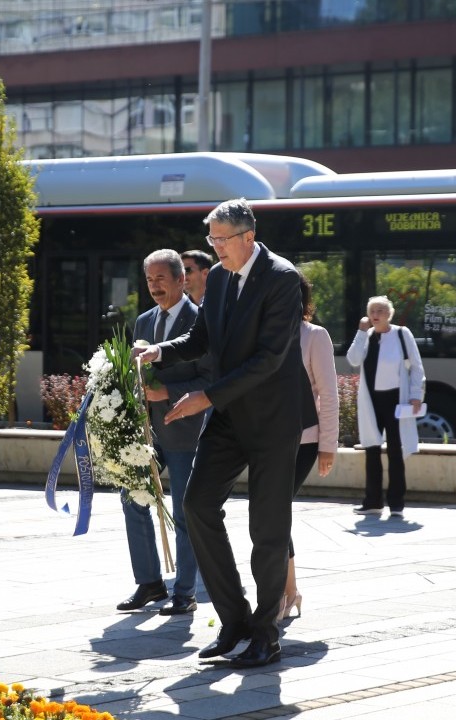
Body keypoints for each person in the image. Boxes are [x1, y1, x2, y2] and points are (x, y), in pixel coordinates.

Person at [134, 198, 304, 669]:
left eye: (220, 239)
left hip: (272, 420)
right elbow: (201, 339)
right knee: (196, 505)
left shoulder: (283, 278)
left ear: (248, 236)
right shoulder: (222, 278)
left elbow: (268, 359)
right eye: (211, 239)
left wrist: (206, 397)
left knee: (267, 529)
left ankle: (266, 635)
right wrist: (158, 352)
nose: (214, 248)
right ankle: (234, 623)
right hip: (229, 417)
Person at [118, 249, 210, 616]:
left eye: (161, 279)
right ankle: (150, 582)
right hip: (147, 433)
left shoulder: (200, 321)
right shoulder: (143, 321)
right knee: (132, 497)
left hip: (187, 431)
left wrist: (167, 392)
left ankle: (185, 592)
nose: (155, 286)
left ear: (181, 280)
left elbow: (211, 378)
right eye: (149, 280)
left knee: (185, 512)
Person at [282, 273, 339, 621]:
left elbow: (328, 393)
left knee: (275, 511)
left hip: (304, 440)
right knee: (271, 513)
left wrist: (328, 445)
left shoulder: (315, 336)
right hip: (267, 440)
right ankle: (289, 590)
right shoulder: (265, 334)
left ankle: (285, 592)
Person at [345, 295, 425, 518]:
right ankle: (373, 502)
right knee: (371, 449)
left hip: (396, 400)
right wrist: (361, 332)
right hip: (372, 401)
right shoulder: (366, 336)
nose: (375, 315)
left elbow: (416, 366)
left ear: (389, 314)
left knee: (395, 451)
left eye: (380, 310)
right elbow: (353, 359)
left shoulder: (402, 334)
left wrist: (416, 395)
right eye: (372, 311)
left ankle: (397, 503)